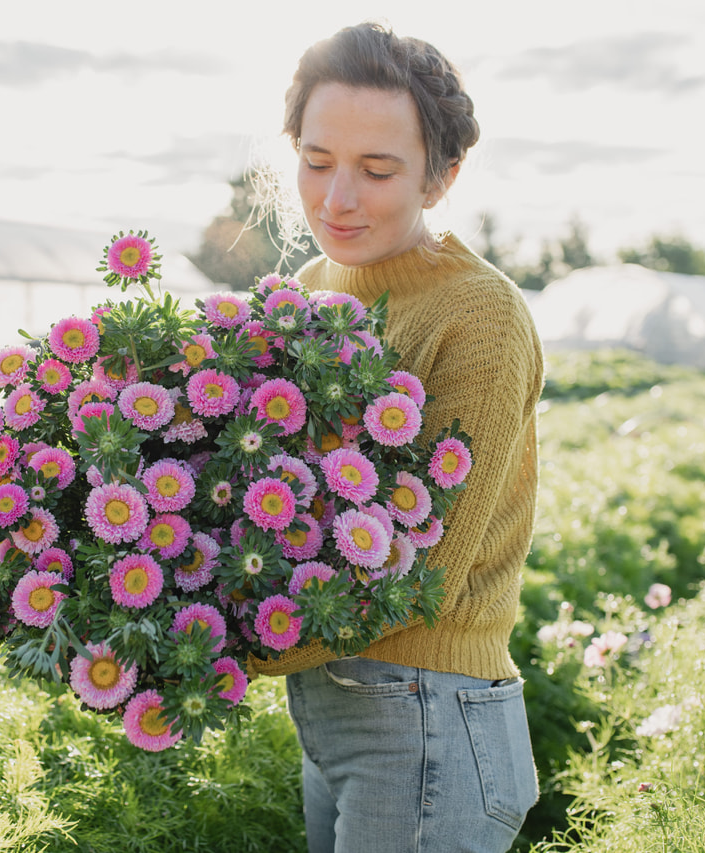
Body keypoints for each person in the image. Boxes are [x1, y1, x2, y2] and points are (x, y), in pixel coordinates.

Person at [249, 22, 545, 853]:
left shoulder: (479, 314)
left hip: (428, 722)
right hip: (336, 708)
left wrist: (229, 648)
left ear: (441, 176)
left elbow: (418, 581)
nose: (337, 199)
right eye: (316, 161)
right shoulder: (302, 291)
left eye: (377, 170)